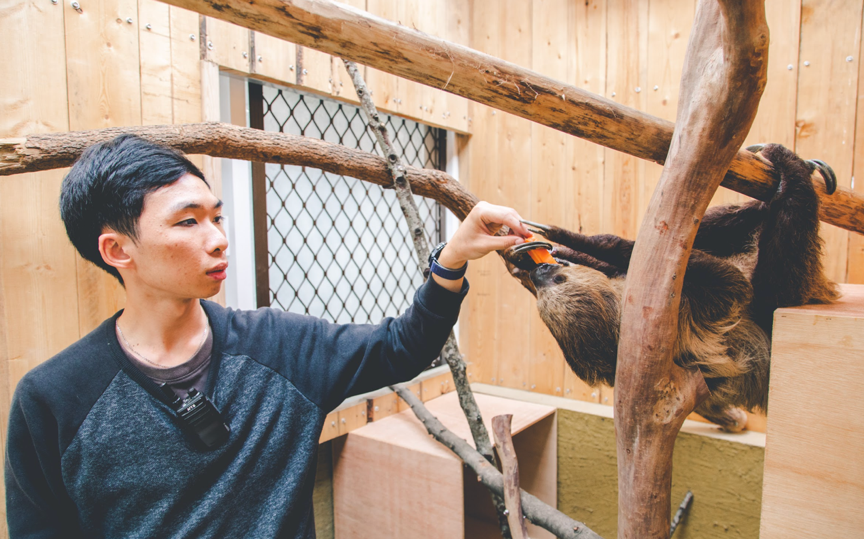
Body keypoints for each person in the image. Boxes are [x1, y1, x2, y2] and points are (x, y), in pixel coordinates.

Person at [5, 135, 530, 538]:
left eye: (216, 216)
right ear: (118, 251)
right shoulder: (54, 397)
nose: (218, 239)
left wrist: (453, 257)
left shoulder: (278, 346)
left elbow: (402, 347)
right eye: (188, 223)